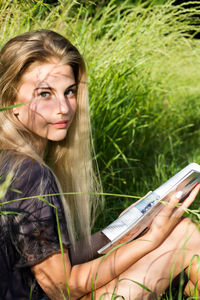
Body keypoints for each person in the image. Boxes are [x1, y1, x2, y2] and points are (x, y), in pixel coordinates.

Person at [0, 29, 200, 300]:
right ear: (11, 100)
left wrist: (122, 229)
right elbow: (63, 288)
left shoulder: (9, 161)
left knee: (183, 236)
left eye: (69, 92)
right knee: (183, 239)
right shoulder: (30, 173)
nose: (64, 107)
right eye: (45, 94)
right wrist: (149, 239)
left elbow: (52, 259)